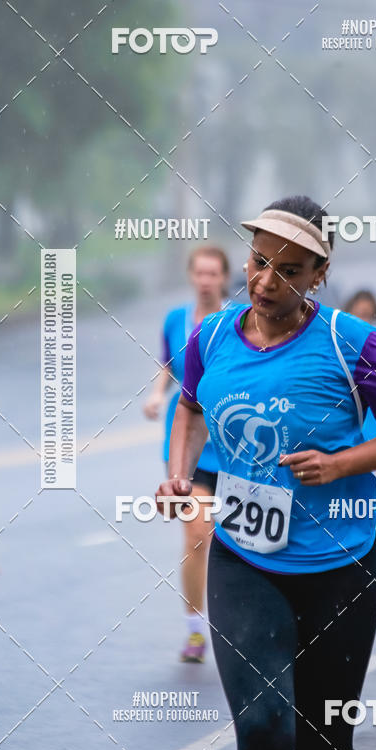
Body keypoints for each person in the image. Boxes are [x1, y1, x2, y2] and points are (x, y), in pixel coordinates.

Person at [155, 195, 376, 750]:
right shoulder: (211, 336)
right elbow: (191, 407)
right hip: (242, 561)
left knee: (322, 746)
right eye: (258, 262)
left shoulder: (350, 342)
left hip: (340, 568)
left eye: (287, 270)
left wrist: (342, 464)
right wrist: (178, 475)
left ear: (317, 275)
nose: (264, 281)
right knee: (261, 733)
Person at [144, 245, 230, 663]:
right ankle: (196, 629)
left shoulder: (238, 322)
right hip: (185, 442)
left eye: (214, 273)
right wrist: (157, 394)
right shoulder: (176, 320)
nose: (206, 280)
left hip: (234, 448)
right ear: (192, 276)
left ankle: (240, 625)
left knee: (236, 539)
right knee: (198, 534)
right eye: (200, 273)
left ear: (225, 278)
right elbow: (167, 364)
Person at [344, 290, 376, 441]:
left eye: (369, 315)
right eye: (360, 315)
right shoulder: (339, 348)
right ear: (348, 314)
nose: (365, 321)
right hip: (350, 430)